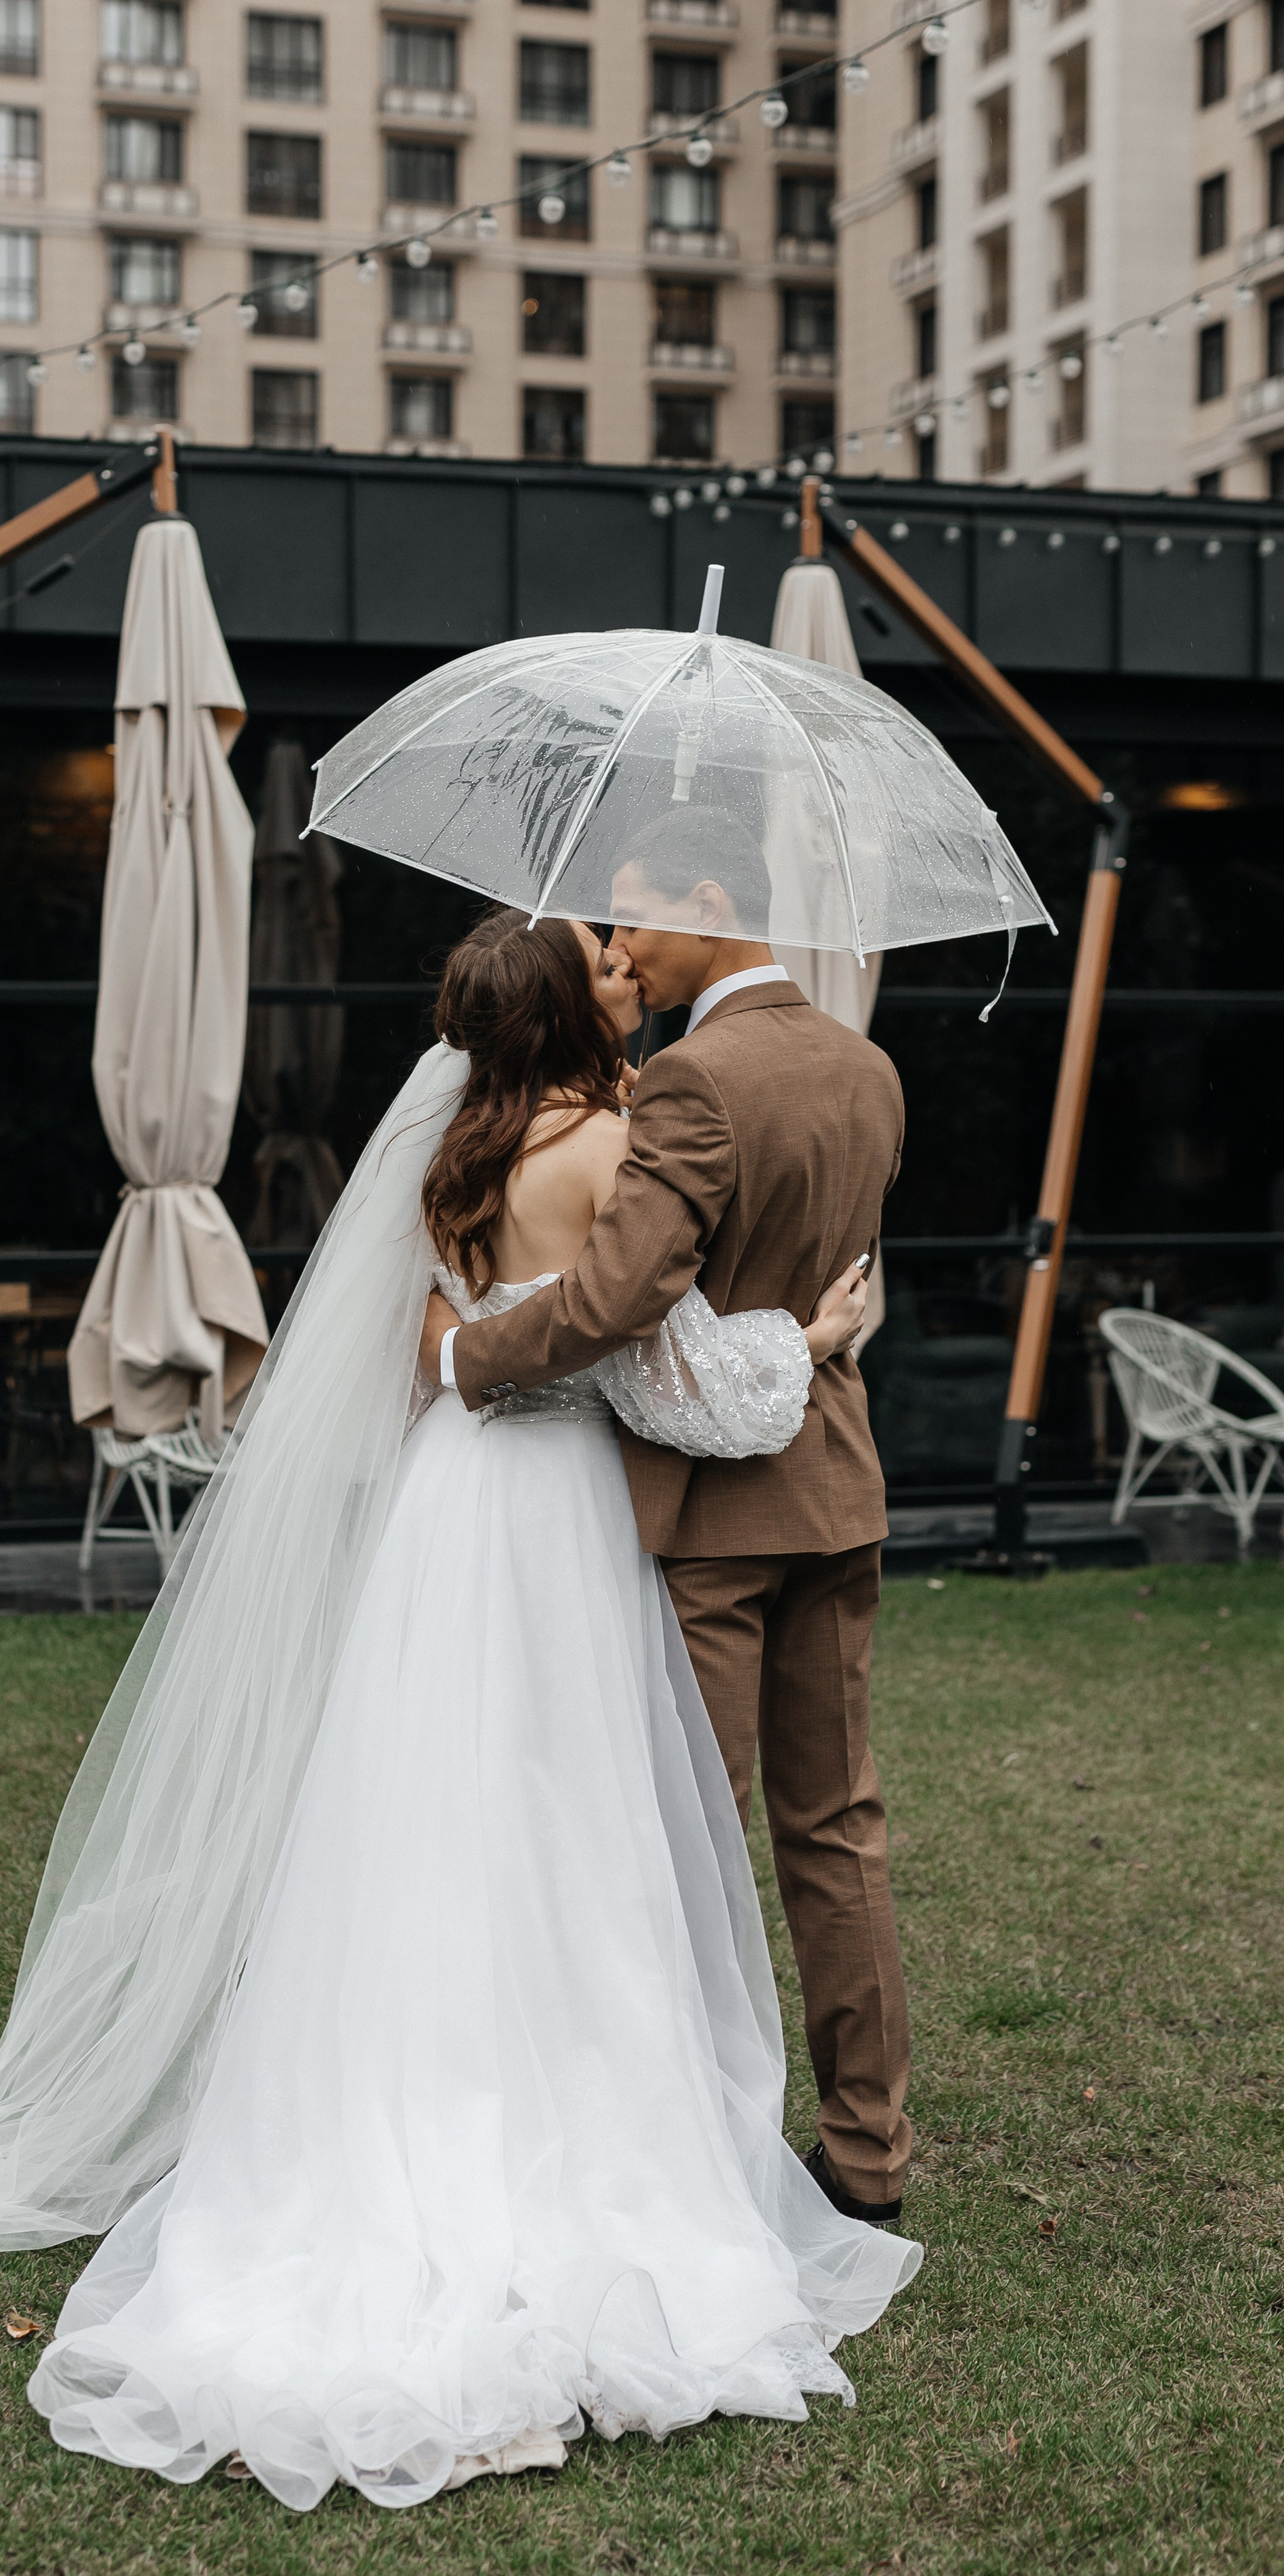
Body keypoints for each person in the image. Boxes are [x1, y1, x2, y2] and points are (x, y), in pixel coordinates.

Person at [0, 910, 918, 2514]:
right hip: (562, 1508)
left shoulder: (449, 1157)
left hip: (447, 1516)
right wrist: (805, 1340)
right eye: (601, 967)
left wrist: (459, 1356)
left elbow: (427, 1338)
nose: (625, 969)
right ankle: (635, 2118)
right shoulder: (638, 1135)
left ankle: (400, 2089)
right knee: (584, 1819)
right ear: (562, 1013)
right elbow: (652, 1362)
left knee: (427, 1810)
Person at [422, 844, 913, 2229]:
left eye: (636, 916)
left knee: (679, 1838)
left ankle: (679, 2144)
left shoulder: (693, 1080)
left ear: (712, 905)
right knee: (837, 1826)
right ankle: (869, 2154)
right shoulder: (866, 1068)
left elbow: (613, 1303)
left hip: (710, 1515)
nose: (623, 948)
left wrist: (461, 1357)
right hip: (835, 1490)